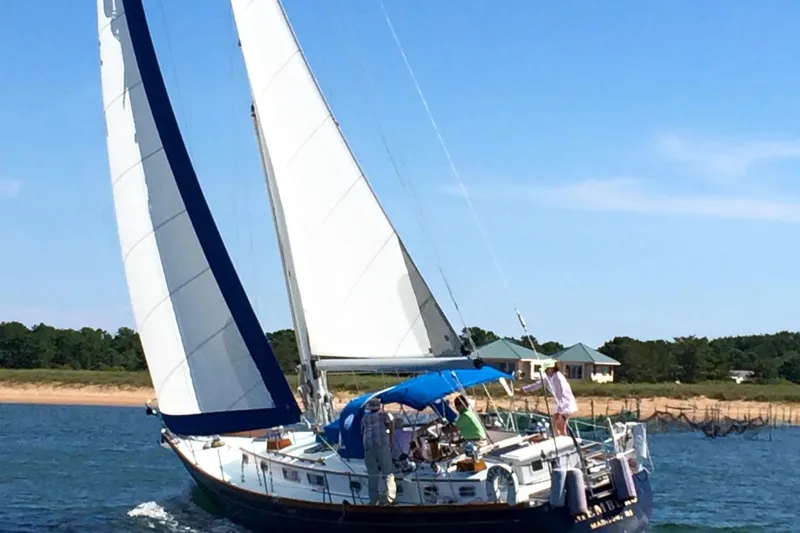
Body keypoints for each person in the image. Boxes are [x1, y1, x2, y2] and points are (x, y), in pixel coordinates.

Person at [522, 361, 577, 436]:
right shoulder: (549, 378)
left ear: (551, 368)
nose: (545, 372)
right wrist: (524, 389)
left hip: (566, 403)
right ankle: (561, 439)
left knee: (557, 424)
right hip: (561, 403)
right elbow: (538, 384)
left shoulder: (558, 376)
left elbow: (561, 392)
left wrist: (560, 409)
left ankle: (561, 440)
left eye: (546, 370)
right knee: (558, 425)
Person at [361, 397, 396, 505]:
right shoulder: (383, 415)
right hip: (381, 445)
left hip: (368, 446)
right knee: (388, 472)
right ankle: (390, 498)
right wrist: (391, 441)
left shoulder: (364, 418)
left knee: (372, 474)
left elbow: (362, 432)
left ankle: (373, 500)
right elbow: (390, 427)